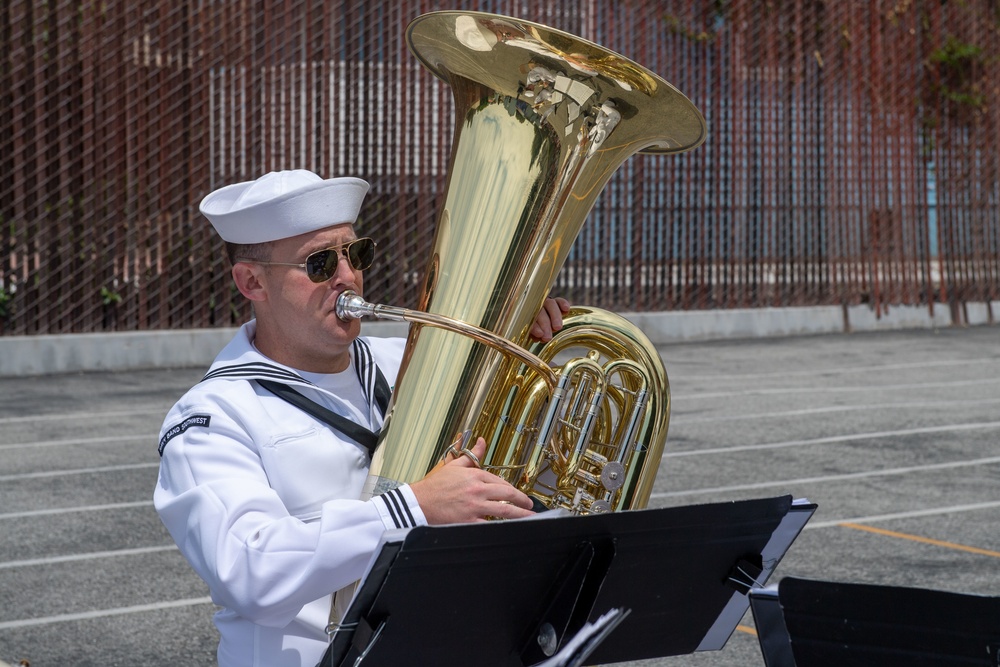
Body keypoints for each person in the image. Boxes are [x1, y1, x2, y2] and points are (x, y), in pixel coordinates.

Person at [153, 170, 571, 667]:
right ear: (252, 282)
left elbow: (533, 482)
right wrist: (410, 508)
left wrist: (537, 367)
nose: (348, 277)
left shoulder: (413, 361)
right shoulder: (213, 415)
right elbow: (251, 570)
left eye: (357, 254)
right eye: (320, 262)